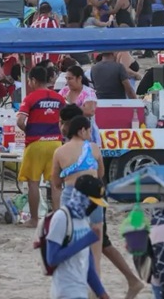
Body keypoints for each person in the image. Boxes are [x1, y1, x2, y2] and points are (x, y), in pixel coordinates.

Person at [51, 115, 106, 270]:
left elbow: (55, 182)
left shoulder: (59, 151)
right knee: (96, 243)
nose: (90, 133)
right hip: (93, 196)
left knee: (69, 236)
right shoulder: (94, 148)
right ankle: (95, 285)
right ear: (82, 131)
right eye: (89, 130)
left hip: (70, 194)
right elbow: (100, 173)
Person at [16, 66, 65, 228]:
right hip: (56, 143)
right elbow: (66, 120)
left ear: (34, 81)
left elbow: (20, 121)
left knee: (33, 183)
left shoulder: (30, 98)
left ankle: (35, 219)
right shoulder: (59, 98)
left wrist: (30, 131)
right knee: (55, 183)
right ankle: (57, 219)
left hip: (36, 143)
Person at [44, 182, 108, 299]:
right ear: (81, 197)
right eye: (93, 202)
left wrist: (101, 293)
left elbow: (88, 265)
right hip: (65, 291)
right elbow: (52, 258)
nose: (94, 207)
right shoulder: (61, 217)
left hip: (80, 291)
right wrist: (85, 241)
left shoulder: (84, 219)